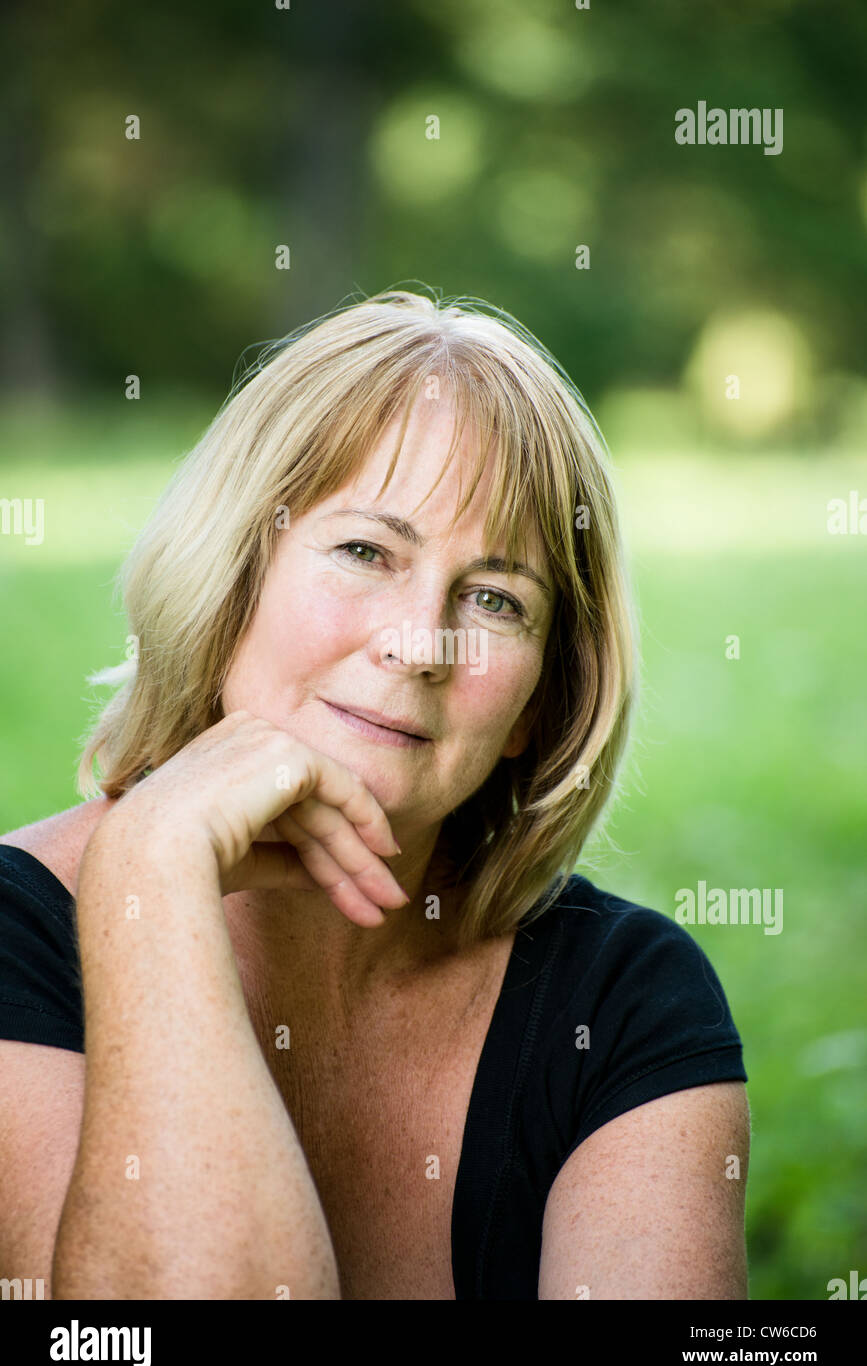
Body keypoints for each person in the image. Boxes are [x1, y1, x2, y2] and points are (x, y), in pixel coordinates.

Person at [0, 288, 750, 1300]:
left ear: (537, 702)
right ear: (232, 576)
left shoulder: (624, 1000)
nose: (419, 643)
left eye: (495, 599)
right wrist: (150, 871)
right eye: (364, 551)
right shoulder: (16, 938)